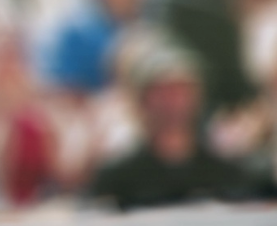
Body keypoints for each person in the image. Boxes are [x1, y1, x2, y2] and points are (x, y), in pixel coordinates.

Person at [88, 40, 266, 209]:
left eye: (182, 91)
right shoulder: (118, 178)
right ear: (142, 100)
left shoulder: (225, 174)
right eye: (163, 93)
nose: (174, 102)